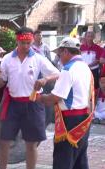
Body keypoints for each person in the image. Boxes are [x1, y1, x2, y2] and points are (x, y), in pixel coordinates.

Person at [0, 27, 59, 169]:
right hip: (12, 104)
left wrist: (45, 79)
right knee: (3, 142)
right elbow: (2, 82)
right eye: (23, 43)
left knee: (31, 143)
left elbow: (57, 74)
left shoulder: (38, 58)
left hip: (33, 103)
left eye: (29, 43)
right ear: (17, 41)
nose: (26, 46)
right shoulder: (7, 59)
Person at [36, 37, 94, 169]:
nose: (59, 57)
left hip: (69, 120)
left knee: (63, 159)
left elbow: (55, 97)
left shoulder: (68, 69)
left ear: (66, 52)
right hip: (84, 118)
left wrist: (40, 98)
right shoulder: (85, 67)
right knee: (80, 159)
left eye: (59, 54)